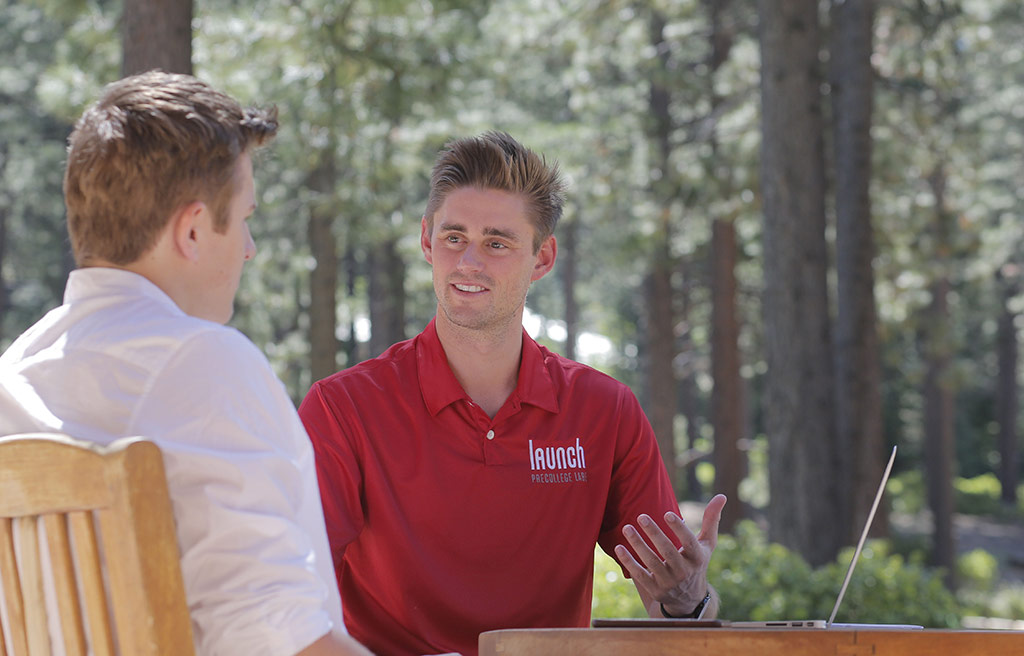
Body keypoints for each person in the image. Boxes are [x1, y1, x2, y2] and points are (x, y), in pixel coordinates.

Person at [299, 131, 727, 656]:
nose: (469, 262)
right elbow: (293, 592)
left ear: (542, 258)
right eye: (454, 237)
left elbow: (672, 611)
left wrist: (688, 597)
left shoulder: (604, 410)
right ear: (427, 240)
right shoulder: (344, 408)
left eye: (497, 242)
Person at [0, 71, 370, 656]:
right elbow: (276, 638)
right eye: (244, 218)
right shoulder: (204, 364)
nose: (248, 247)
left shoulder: (14, 377)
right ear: (194, 230)